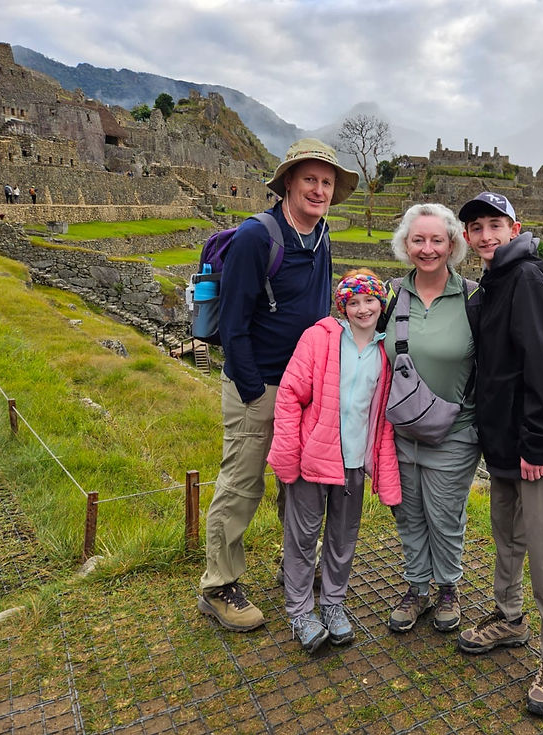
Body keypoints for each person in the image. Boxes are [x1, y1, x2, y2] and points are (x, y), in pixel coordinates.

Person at [196, 139, 359, 632]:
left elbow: (319, 313)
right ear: (288, 182)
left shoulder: (322, 235)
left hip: (304, 391)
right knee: (242, 484)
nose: (319, 189)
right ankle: (218, 585)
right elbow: (233, 322)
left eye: (327, 182)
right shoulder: (256, 238)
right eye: (309, 179)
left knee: (300, 486)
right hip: (259, 384)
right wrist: (250, 390)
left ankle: (296, 569)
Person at [456, 192, 543, 717]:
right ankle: (509, 618)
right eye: (476, 228)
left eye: (494, 226)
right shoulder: (493, 282)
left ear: (514, 228)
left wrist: (535, 443)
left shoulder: (527, 278)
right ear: (467, 237)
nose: (485, 236)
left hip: (536, 447)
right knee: (506, 536)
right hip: (502, 441)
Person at [267, 270, 401, 653]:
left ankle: (333, 604)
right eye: (353, 302)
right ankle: (300, 611)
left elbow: (383, 417)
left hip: (355, 461)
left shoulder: (385, 350)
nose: (362, 309)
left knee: (343, 537)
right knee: (303, 536)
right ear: (343, 306)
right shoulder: (320, 339)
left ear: (381, 304)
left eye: (370, 300)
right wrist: (288, 454)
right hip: (314, 458)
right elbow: (290, 396)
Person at [385, 203, 481, 634]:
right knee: (408, 514)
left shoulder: (473, 298)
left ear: (453, 244)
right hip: (401, 429)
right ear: (406, 245)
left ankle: (447, 587)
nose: (427, 249)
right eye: (418, 240)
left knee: (444, 514)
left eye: (436, 240)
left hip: (455, 431)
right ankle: (416, 587)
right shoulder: (389, 295)